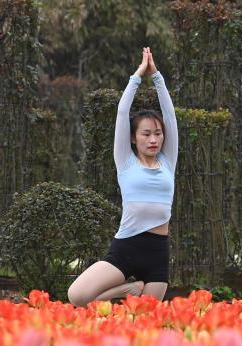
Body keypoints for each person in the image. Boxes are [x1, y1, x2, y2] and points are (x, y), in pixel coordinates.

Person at [68, 47, 178, 307]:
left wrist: (158, 77)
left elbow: (170, 117)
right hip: (127, 248)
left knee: (147, 318)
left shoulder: (167, 161)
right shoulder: (125, 162)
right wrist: (138, 76)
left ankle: (132, 293)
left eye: (158, 133)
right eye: (146, 133)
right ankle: (127, 289)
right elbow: (121, 113)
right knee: (77, 296)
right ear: (133, 137)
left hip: (158, 251)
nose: (153, 139)